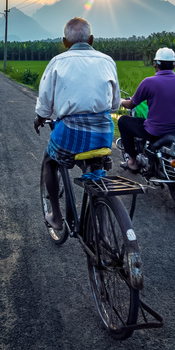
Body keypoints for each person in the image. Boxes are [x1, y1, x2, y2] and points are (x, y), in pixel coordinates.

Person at [34, 17, 120, 231]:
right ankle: (102, 228)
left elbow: (45, 102)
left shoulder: (57, 62)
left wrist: (41, 117)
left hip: (70, 132)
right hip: (103, 132)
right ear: (91, 39)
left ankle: (56, 215)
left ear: (65, 42)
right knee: (95, 165)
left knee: (49, 162)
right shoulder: (107, 61)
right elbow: (115, 104)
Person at [118, 47, 175, 172]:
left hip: (155, 131)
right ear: (174, 65)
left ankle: (133, 161)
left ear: (156, 64)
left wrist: (120, 101)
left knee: (123, 121)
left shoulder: (149, 82)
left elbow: (131, 104)